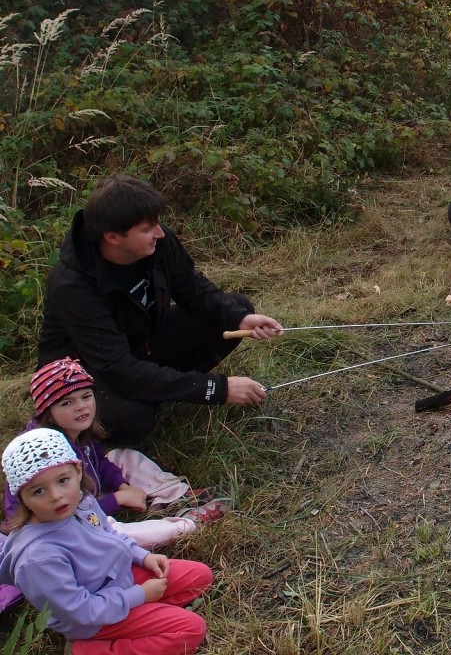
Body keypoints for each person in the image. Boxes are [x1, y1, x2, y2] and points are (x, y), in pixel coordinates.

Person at [36, 174, 283, 445]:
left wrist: (240, 318)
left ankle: (157, 387)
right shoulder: (73, 287)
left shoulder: (157, 242)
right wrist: (216, 389)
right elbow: (117, 367)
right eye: (147, 228)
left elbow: (190, 286)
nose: (160, 233)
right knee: (130, 418)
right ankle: (120, 414)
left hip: (142, 343)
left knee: (235, 310)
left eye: (157, 223)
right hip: (86, 372)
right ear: (113, 237)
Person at [0, 428, 213, 654]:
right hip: (94, 619)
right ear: (22, 498)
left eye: (63, 480)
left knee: (200, 576)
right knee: (191, 630)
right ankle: (91, 649)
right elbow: (80, 611)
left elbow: (110, 534)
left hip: (120, 578)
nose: (56, 495)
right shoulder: (37, 558)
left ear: (78, 471)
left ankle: (143, 616)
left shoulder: (81, 503)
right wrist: (139, 596)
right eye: (39, 491)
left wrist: (142, 557)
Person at [3, 358, 232, 548]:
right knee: (112, 532)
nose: (81, 406)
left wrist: (122, 486)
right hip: (59, 524)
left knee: (122, 457)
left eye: (86, 396)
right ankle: (184, 526)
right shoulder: (46, 452)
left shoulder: (77, 432)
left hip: (85, 495)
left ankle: (176, 496)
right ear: (48, 413)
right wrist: (118, 499)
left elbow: (101, 463)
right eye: (66, 403)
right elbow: (75, 511)